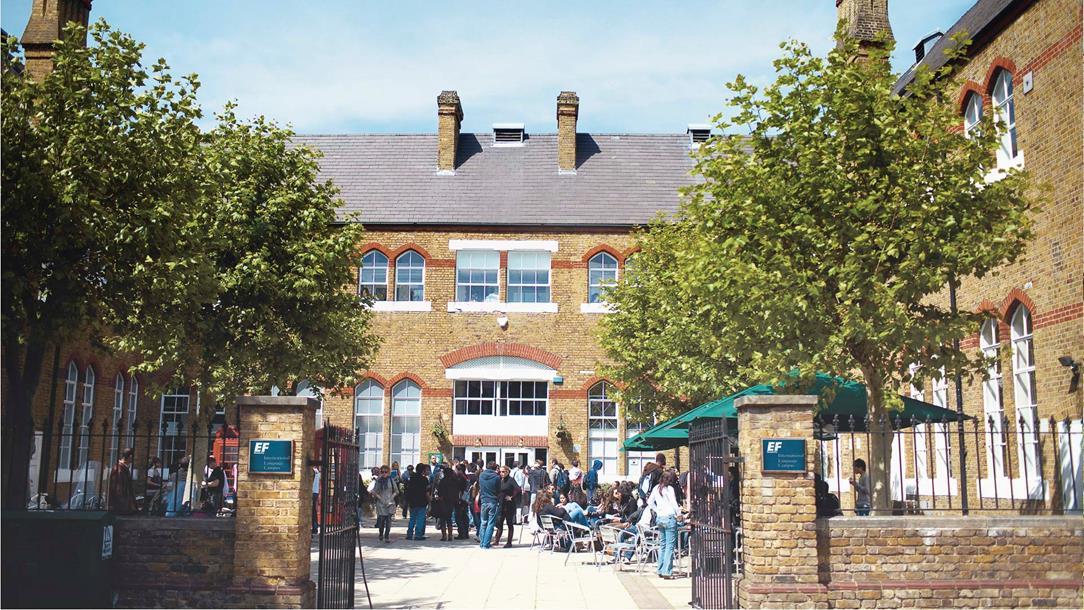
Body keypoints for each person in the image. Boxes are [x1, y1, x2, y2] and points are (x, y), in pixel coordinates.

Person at [648, 470, 682, 579]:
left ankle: (660, 569)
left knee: (662, 545)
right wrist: (679, 514)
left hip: (660, 518)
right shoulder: (669, 489)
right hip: (670, 517)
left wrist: (657, 510)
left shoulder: (656, 488)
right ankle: (667, 571)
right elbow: (674, 503)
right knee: (669, 546)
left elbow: (649, 502)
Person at [493, 465, 522, 548]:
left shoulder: (511, 480)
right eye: (500, 472)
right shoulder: (499, 480)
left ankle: (509, 542)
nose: (501, 473)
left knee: (509, 523)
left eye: (503, 472)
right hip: (501, 504)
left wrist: (511, 497)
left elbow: (518, 490)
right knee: (499, 522)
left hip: (509, 505)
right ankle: (496, 540)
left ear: (507, 472)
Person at [369, 465, 397, 543]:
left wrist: (391, 498)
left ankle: (387, 536)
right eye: (382, 472)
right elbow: (374, 491)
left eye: (386, 472)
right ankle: (381, 533)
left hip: (390, 503)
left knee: (388, 521)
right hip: (381, 503)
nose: (384, 473)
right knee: (381, 520)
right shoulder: (379, 481)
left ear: (388, 472)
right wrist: (380, 498)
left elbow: (396, 491)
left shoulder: (391, 480)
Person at [478, 461, 501, 549]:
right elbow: (498, 490)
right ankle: (486, 543)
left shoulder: (481, 475)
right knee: (490, 523)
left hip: (484, 500)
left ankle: (482, 543)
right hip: (493, 500)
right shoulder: (496, 477)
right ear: (495, 468)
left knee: (483, 522)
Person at [405, 463, 431, 540]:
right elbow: (427, 492)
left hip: (412, 501)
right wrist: (429, 501)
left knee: (412, 518)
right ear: (423, 470)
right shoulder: (424, 479)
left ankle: (409, 534)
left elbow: (408, 490)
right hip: (422, 501)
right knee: (420, 519)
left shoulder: (411, 478)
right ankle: (418, 534)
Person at [108, 448, 138, 514]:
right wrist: (123, 503)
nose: (135, 458)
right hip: (121, 505)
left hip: (124, 503)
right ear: (130, 457)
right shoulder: (119, 468)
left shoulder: (123, 467)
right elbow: (118, 488)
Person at [434, 464, 459, 541]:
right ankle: (450, 535)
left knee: (442, 520)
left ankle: (444, 535)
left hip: (443, 501)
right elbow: (456, 492)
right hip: (451, 502)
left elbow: (439, 492)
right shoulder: (454, 482)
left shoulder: (442, 481)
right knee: (449, 519)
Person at [453, 463, 471, 540]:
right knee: (464, 517)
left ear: (460, 470)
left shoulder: (461, 478)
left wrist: (459, 499)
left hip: (461, 500)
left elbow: (460, 490)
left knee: (459, 517)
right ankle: (465, 533)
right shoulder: (466, 477)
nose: (455, 471)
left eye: (456, 470)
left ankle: (462, 533)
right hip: (465, 500)